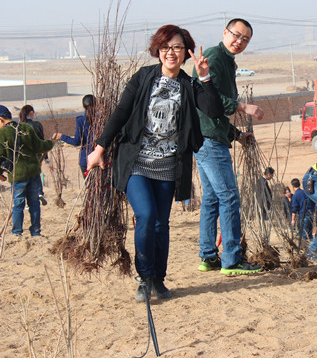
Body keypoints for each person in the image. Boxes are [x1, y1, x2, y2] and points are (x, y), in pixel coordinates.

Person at [86, 24, 224, 301]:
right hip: (137, 162)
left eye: (176, 47)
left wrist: (205, 77)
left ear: (186, 51)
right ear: (157, 51)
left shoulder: (189, 85)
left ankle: (158, 280)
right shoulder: (143, 77)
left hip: (169, 166)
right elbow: (121, 112)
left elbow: (214, 110)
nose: (170, 52)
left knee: (161, 224)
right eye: (164, 47)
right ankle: (144, 277)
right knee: (146, 216)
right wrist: (99, 148)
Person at [193, 18, 264, 276]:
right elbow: (204, 96)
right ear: (225, 32)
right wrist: (243, 107)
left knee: (212, 198)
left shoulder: (227, 61)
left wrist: (237, 135)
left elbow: (215, 110)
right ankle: (231, 259)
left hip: (209, 136)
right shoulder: (214, 56)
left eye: (246, 39)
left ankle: (208, 256)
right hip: (209, 140)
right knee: (229, 197)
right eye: (236, 35)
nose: (240, 41)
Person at [0, 105, 54, 236]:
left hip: (18, 175)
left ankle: (17, 232)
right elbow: (39, 146)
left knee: (18, 204)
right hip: (33, 172)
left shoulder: (2, 134)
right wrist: (51, 142)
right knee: (34, 203)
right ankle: (36, 232)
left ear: (1, 119)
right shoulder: (25, 128)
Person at [53, 94, 95, 176]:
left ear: (83, 106)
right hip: (102, 159)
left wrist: (62, 137)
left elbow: (76, 142)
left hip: (85, 159)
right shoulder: (102, 119)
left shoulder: (81, 120)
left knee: (89, 183)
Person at [19, 105, 48, 206]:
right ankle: (39, 192)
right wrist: (46, 157)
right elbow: (42, 141)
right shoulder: (37, 125)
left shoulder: (19, 126)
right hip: (37, 154)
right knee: (35, 173)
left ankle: (28, 201)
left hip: (24, 155)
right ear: (31, 113)